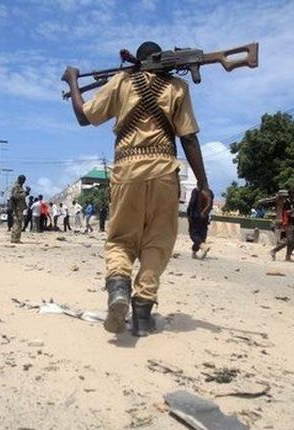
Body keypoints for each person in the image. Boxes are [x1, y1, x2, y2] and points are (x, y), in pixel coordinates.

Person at [62, 40, 210, 337]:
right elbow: (189, 139)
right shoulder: (177, 87)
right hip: (165, 172)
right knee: (158, 243)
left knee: (120, 240)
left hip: (127, 169)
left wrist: (74, 80)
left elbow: (83, 116)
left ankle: (118, 288)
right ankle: (142, 312)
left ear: (137, 62)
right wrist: (203, 185)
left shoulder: (121, 81)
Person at [187, 188, 214, 259]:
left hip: (195, 216)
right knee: (201, 235)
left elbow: (192, 203)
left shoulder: (196, 191)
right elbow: (211, 205)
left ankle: (203, 247)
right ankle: (194, 253)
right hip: (205, 217)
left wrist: (189, 214)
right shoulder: (210, 192)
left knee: (193, 234)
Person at [269, 194, 294, 262]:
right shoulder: (286, 202)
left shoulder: (291, 202)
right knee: (289, 240)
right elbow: (288, 212)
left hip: (291, 222)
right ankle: (274, 250)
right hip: (287, 222)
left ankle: (288, 257)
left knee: (291, 241)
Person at [10, 175, 28, 243]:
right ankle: (15, 239)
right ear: (20, 179)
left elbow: (21, 196)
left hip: (19, 207)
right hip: (17, 208)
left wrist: (26, 193)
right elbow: (15, 196)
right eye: (23, 180)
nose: (24, 182)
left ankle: (17, 238)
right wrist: (25, 193)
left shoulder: (19, 187)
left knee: (19, 223)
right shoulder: (16, 186)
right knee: (17, 223)